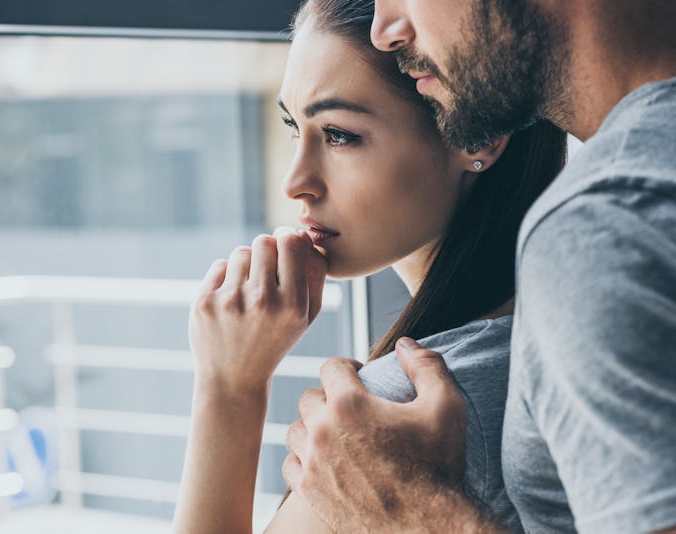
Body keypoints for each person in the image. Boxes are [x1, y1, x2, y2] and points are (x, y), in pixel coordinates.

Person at [172, 0, 566, 531]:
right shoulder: (554, 334)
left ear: (477, 137)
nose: (295, 182)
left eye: (339, 135)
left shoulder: (408, 410)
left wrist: (228, 388)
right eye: (296, 128)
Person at [283, 0, 676, 532]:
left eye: (340, 134)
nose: (386, 28)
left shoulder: (605, 225)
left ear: (480, 146)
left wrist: (414, 511)